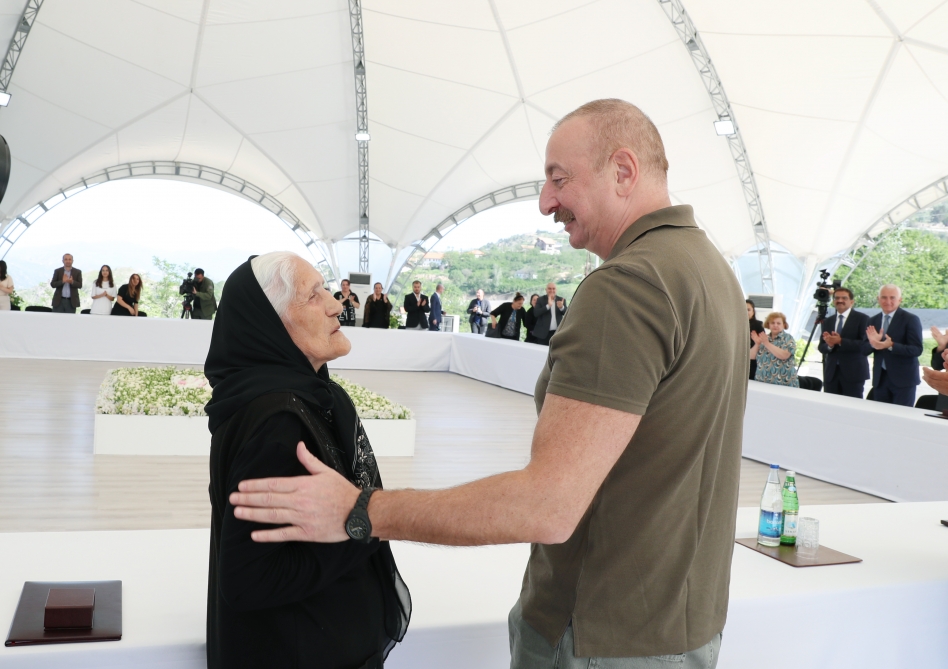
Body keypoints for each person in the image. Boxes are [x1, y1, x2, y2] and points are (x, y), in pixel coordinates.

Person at [229, 99, 747, 668]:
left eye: (559, 179)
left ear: (623, 170)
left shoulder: (628, 286)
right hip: (683, 627)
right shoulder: (710, 270)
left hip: (600, 633)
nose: (546, 201)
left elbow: (548, 505)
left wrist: (361, 510)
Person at [203, 252, 409, 669]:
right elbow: (248, 579)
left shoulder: (308, 398)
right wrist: (366, 526)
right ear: (272, 324)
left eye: (327, 290)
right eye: (313, 296)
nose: (335, 305)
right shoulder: (277, 420)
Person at [860, 284, 923, 407]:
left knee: (901, 416)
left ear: (900, 300)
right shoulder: (872, 320)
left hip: (904, 380)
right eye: (884, 297)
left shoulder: (910, 319)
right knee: (880, 416)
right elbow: (863, 350)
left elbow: (917, 349)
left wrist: (891, 345)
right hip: (880, 379)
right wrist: (873, 343)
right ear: (878, 299)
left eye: (892, 297)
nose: (888, 301)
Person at [817, 287, 870, 398]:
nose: (840, 300)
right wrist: (829, 345)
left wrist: (841, 341)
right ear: (833, 301)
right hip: (831, 374)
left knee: (852, 406)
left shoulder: (863, 319)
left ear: (852, 301)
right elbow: (821, 347)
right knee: (830, 405)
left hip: (854, 373)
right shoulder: (828, 321)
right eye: (837, 298)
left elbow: (865, 345)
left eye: (844, 298)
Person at [751, 312, 799, 388]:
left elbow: (784, 355)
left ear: (784, 325)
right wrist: (757, 344)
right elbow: (751, 356)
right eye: (772, 323)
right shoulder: (765, 338)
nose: (775, 325)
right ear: (768, 325)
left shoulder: (788, 338)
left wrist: (767, 343)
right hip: (762, 382)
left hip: (783, 383)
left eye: (778, 323)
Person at [746, 299, 765, 380]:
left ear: (753, 312)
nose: (746, 312)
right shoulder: (735, 324)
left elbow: (763, 342)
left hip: (752, 359)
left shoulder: (758, 324)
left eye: (748, 310)